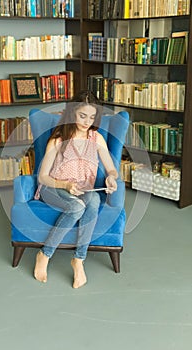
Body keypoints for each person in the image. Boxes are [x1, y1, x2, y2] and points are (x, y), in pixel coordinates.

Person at [34, 90, 118, 288]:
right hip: (54, 187)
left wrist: (111, 179)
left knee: (94, 201)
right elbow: (43, 177)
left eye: (92, 117)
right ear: (72, 113)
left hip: (82, 189)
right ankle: (44, 254)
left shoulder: (96, 139)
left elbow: (111, 168)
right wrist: (65, 185)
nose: (87, 121)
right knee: (76, 208)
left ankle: (78, 260)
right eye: (82, 116)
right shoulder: (58, 139)